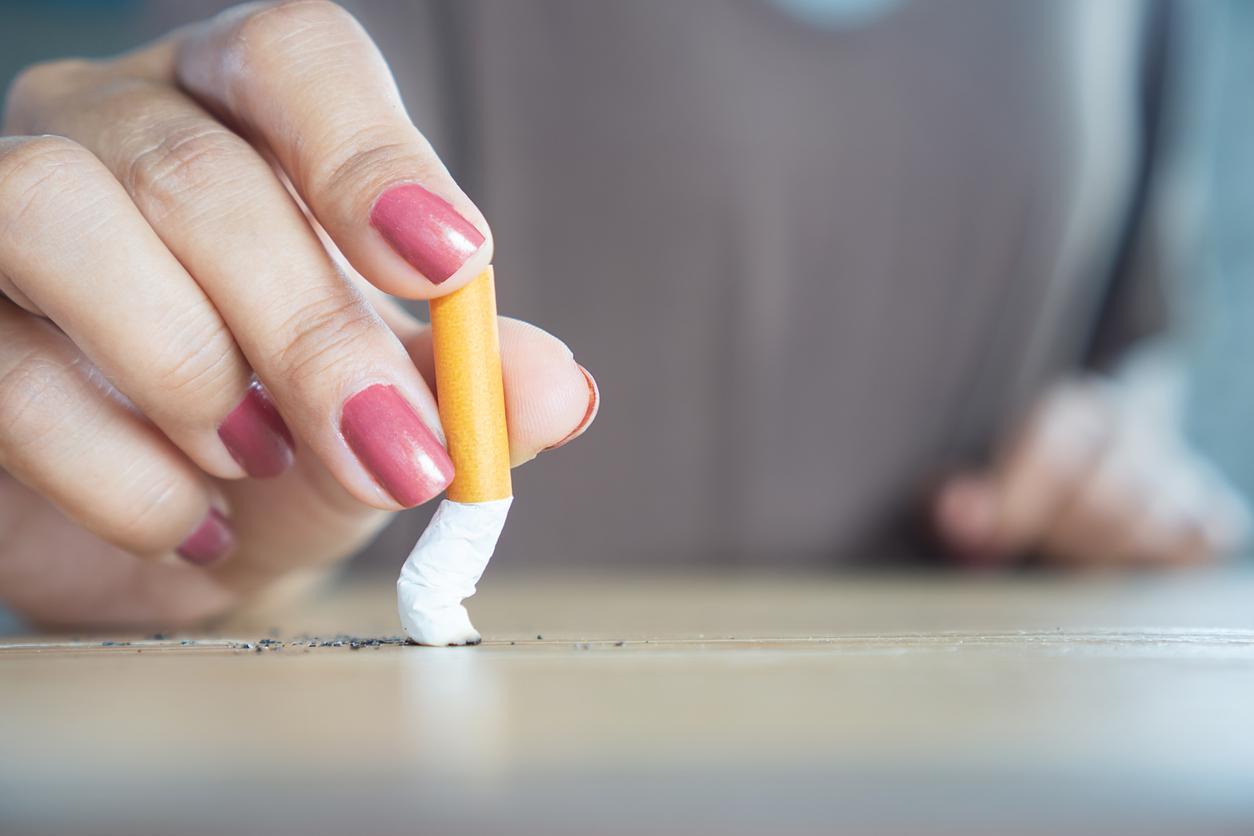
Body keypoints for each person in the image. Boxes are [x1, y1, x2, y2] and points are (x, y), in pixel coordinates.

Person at [0, 0, 1246, 630]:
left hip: (986, 764)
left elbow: (1124, 346)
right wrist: (146, 406)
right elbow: (243, 190)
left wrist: (1111, 455)